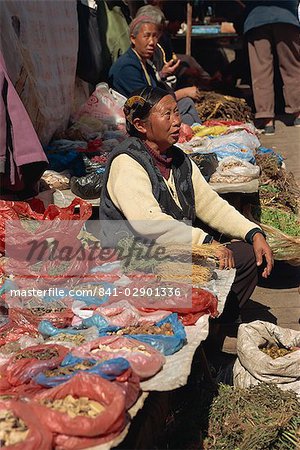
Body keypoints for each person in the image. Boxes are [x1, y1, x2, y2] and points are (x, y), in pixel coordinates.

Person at [100, 86, 274, 324]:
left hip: (173, 253)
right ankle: (206, 329)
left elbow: (211, 205)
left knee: (244, 254)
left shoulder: (180, 159)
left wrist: (253, 233)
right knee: (218, 260)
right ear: (140, 125)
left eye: (177, 112)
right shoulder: (127, 162)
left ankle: (218, 328)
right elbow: (149, 223)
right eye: (167, 114)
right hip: (137, 261)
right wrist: (205, 243)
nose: (176, 122)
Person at [108, 15, 202, 125]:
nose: (152, 42)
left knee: (186, 105)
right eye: (146, 36)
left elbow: (157, 89)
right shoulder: (127, 67)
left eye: (155, 36)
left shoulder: (144, 62)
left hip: (153, 113)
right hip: (141, 119)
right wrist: (182, 93)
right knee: (185, 113)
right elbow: (149, 103)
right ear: (133, 39)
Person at [244, 0, 300, 134]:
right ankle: (298, 113)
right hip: (286, 17)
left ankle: (267, 119)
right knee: (292, 67)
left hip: (257, 18)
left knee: (261, 69)